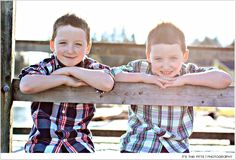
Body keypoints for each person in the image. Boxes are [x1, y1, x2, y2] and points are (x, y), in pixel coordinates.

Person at [111, 22, 232, 153]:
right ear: (148, 55)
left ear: (184, 56)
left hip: (176, 147)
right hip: (140, 143)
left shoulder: (189, 71)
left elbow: (224, 79)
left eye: (173, 58)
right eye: (158, 59)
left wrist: (184, 80)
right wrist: (144, 78)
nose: (166, 66)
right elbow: (111, 74)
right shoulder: (140, 68)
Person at [19, 13, 114, 153]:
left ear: (87, 47)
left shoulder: (90, 67)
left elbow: (107, 83)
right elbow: (26, 85)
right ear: (52, 45)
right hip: (43, 142)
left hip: (78, 142)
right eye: (63, 43)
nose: (70, 50)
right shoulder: (46, 66)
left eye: (78, 44)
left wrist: (70, 70)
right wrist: (64, 78)